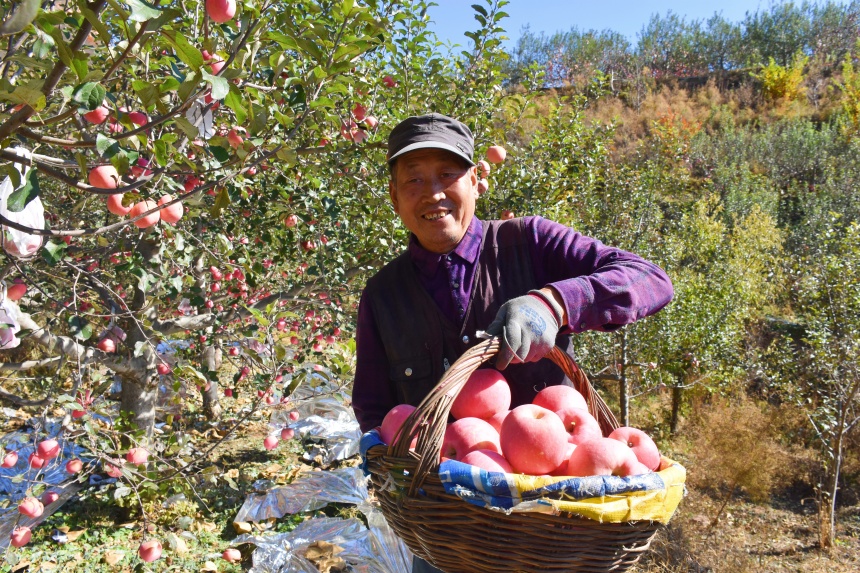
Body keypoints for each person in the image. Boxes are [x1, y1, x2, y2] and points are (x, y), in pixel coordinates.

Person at [352, 113, 674, 573]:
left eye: (448, 174)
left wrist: (557, 303)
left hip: (554, 526)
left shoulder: (531, 243)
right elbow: (372, 405)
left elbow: (650, 279)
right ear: (394, 196)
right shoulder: (383, 295)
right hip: (444, 528)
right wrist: (386, 457)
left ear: (478, 181)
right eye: (414, 179)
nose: (433, 193)